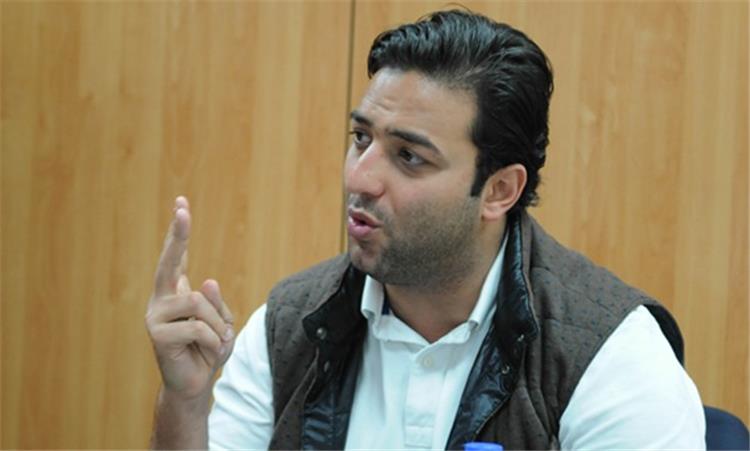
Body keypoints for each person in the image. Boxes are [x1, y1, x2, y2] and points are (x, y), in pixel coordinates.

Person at [145, 10, 705, 450]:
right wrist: (185, 403)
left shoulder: (610, 356)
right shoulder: (289, 327)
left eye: (409, 157)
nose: (359, 178)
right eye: (361, 138)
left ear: (499, 190)